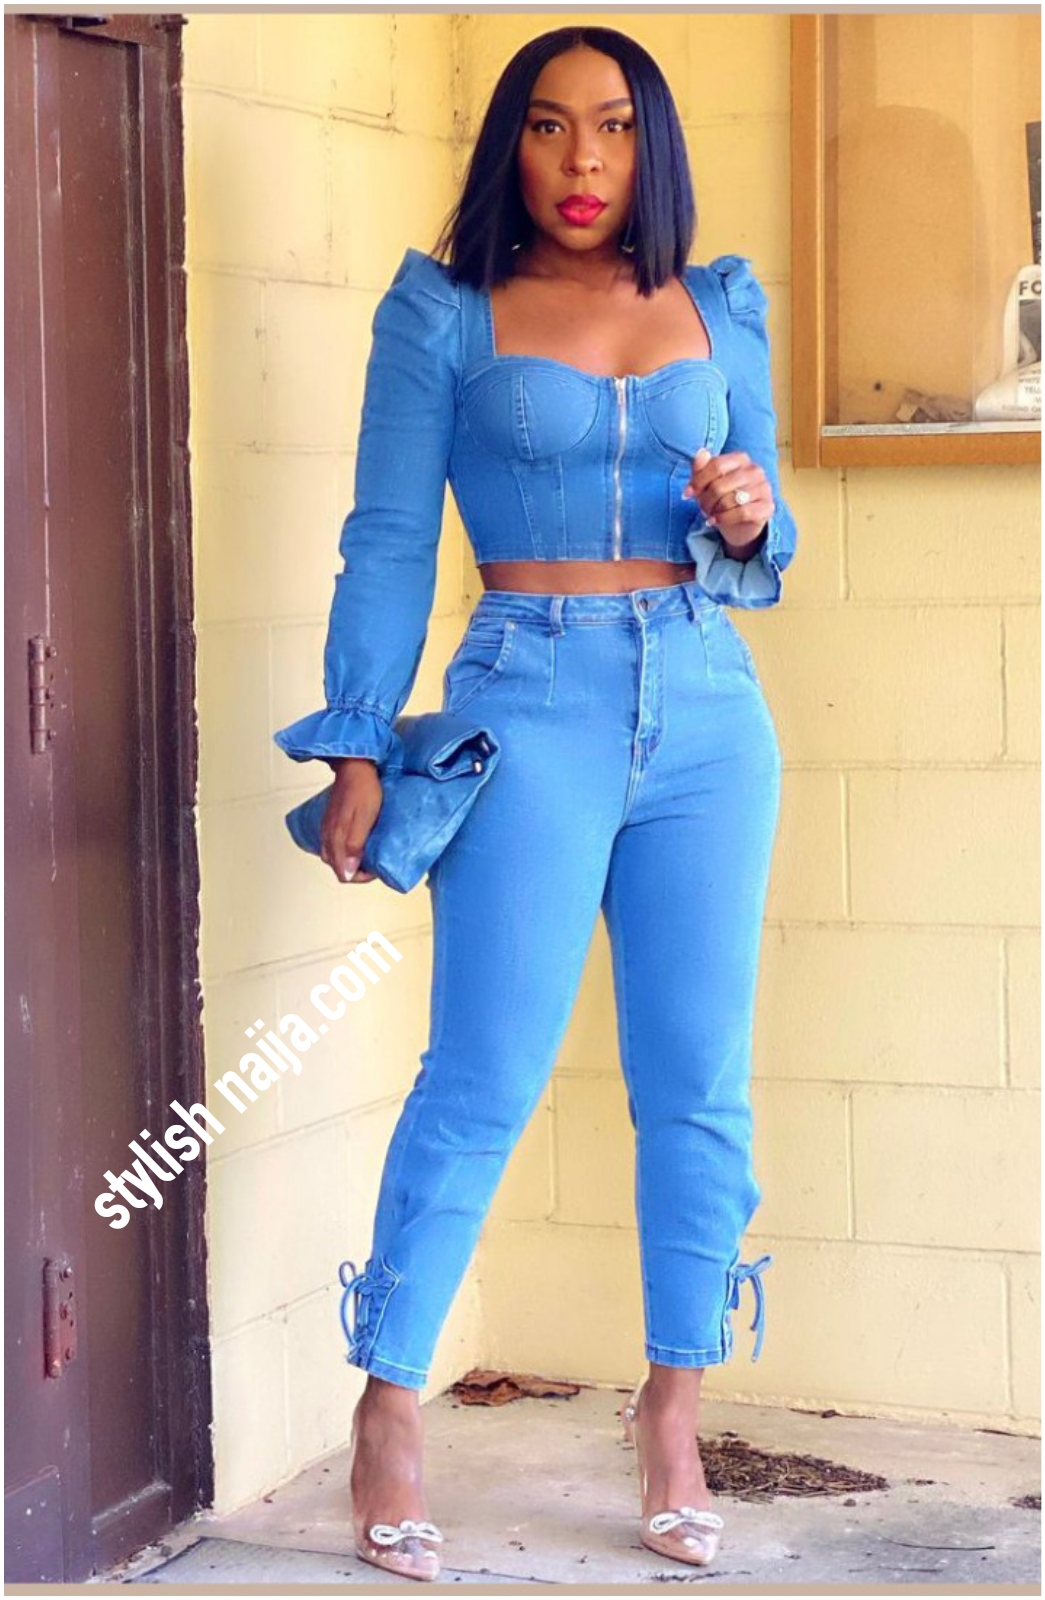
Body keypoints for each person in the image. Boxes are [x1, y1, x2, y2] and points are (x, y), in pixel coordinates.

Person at [272, 23, 798, 1584]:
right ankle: (388, 1410)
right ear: (510, 144)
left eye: (615, 128)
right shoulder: (443, 315)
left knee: (695, 1083)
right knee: (482, 1073)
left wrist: (745, 512)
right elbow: (385, 537)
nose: (583, 161)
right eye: (551, 127)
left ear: (652, 147)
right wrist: (357, 743)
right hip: (527, 698)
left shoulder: (717, 305)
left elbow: (763, 543)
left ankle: (672, 1414)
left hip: (705, 710)